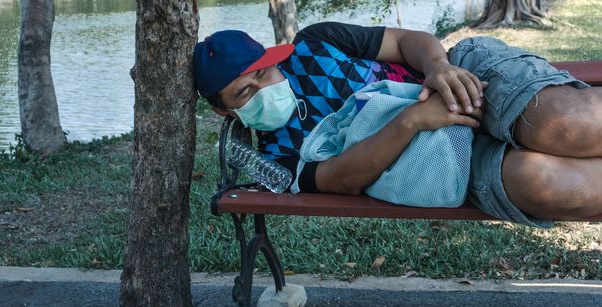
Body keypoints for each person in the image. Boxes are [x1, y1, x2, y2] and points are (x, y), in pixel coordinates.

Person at [194, 22, 602, 228]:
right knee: (546, 184)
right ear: (223, 111)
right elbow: (341, 178)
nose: (263, 88)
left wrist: (439, 69)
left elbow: (408, 41)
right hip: (441, 163)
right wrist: (412, 122)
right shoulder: (273, 154)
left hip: (459, 79)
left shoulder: (314, 43)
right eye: (244, 93)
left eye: (263, 73)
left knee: (564, 124)